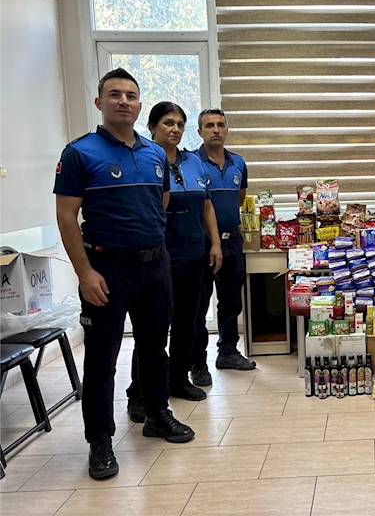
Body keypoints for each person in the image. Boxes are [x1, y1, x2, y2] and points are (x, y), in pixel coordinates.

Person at [54, 69, 195, 481]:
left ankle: (156, 415)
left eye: (131, 95)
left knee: (154, 349)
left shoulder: (154, 154)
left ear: (138, 104)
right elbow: (66, 215)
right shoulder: (80, 153)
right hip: (106, 269)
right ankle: (100, 442)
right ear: (100, 102)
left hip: (155, 266)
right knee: (102, 358)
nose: (123, 101)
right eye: (114, 94)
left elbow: (161, 203)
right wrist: (85, 273)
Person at [126, 102, 224, 422]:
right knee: (152, 331)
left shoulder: (194, 161)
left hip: (195, 255)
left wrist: (216, 244)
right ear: (153, 126)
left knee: (187, 324)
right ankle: (139, 393)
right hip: (158, 259)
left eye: (180, 124)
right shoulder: (142, 160)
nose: (176, 129)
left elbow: (206, 205)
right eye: (168, 123)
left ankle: (178, 380)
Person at [190, 107, 256, 385]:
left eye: (220, 125)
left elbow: (240, 200)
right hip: (201, 245)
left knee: (231, 302)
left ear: (227, 129)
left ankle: (228, 352)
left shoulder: (238, 163)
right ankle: (197, 364)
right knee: (198, 306)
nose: (215, 129)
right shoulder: (191, 162)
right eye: (209, 125)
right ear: (200, 132)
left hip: (232, 243)